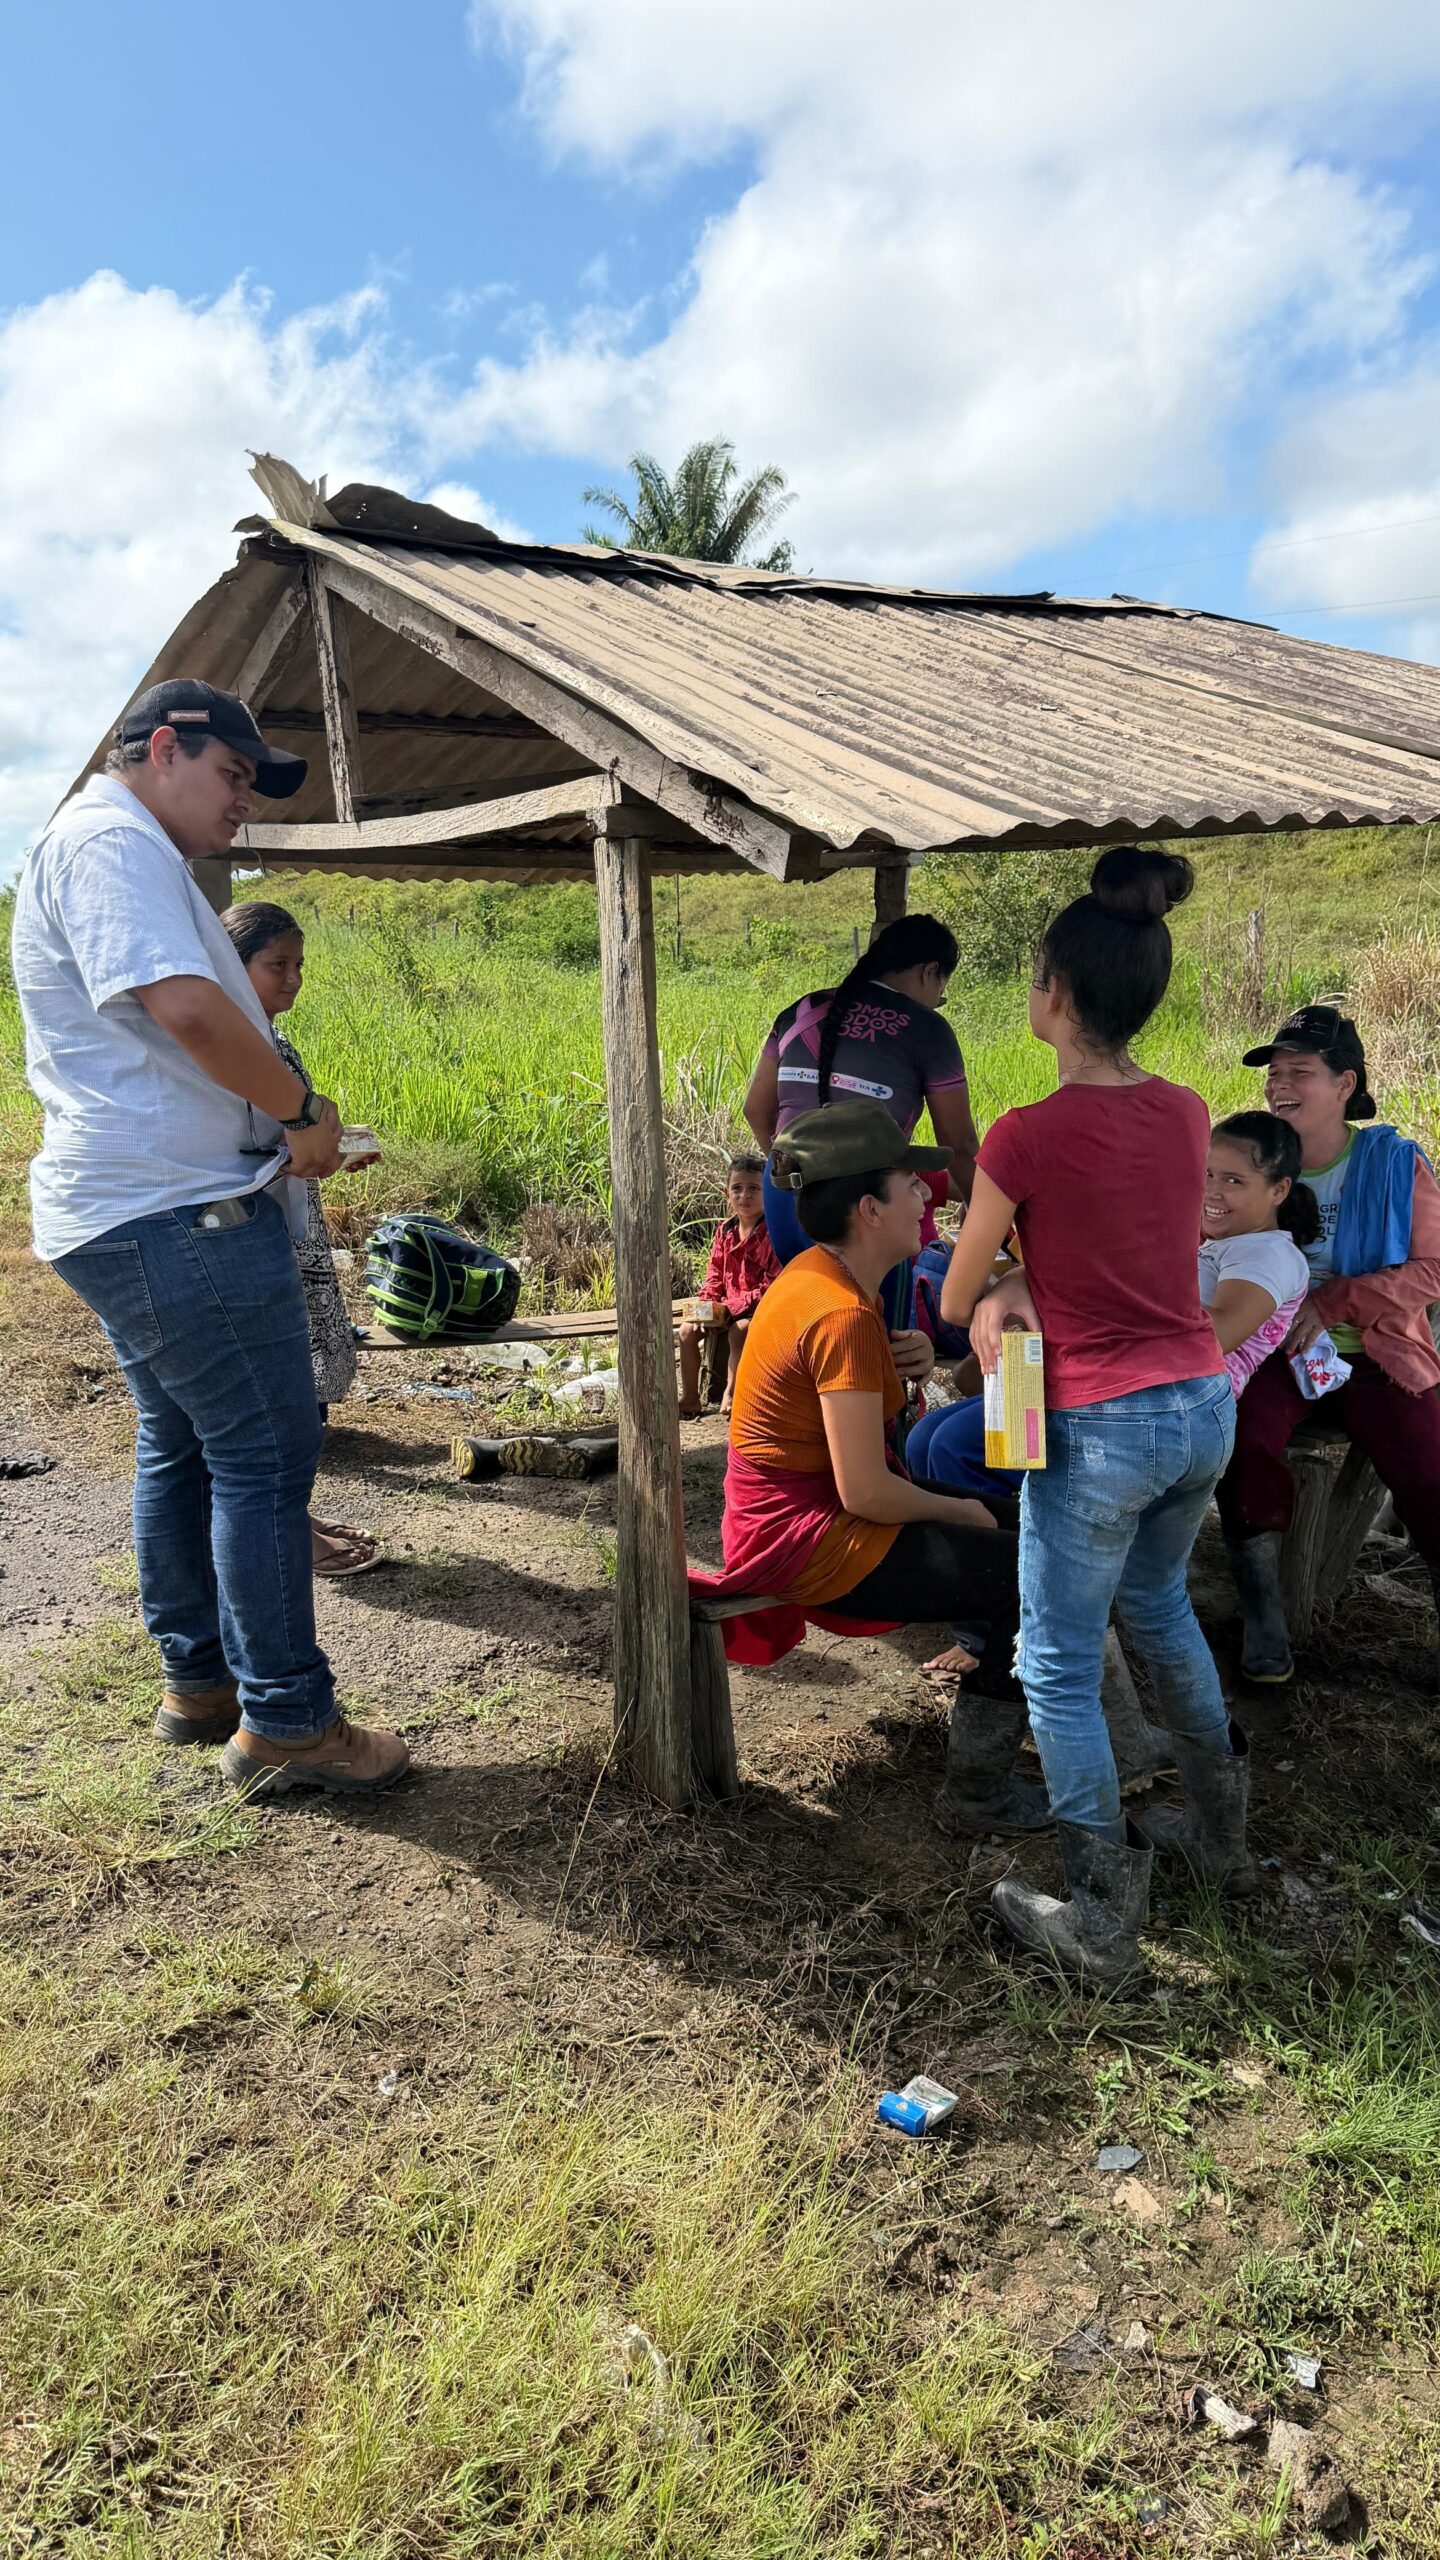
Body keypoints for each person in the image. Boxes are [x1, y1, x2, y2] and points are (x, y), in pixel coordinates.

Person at [9, 679, 408, 1798]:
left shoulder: (121, 846)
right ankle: (287, 1718)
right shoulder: (110, 840)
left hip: (149, 1205)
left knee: (181, 1444)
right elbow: (189, 1009)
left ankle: (202, 1681)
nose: (244, 803)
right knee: (266, 1454)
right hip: (176, 1211)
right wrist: (294, 1113)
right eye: (233, 776)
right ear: (165, 746)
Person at [940, 847, 1248, 1984]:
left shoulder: (1022, 1134)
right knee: (1163, 1611)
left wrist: (1008, 1283)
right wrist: (1035, 1274)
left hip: (1102, 1424)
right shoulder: (1186, 1113)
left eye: (1032, 977)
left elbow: (957, 1291)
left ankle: (1104, 1918)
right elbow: (1125, 1247)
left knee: (1059, 1661)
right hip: (1197, 1402)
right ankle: (1225, 1841)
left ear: (1054, 996)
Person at [689, 1099, 1047, 1836]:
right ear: (868, 1208)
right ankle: (978, 1794)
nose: (927, 1195)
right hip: (807, 1538)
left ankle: (997, 1707)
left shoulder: (821, 1277)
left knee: (1024, 1527)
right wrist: (964, 1512)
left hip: (791, 1517)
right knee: (1031, 1571)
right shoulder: (841, 1311)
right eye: (910, 1184)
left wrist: (899, 1359)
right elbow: (867, 1490)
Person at [1216, 1006, 1440, 1683]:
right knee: (1244, 1438)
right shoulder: (1252, 1155)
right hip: (1274, 1353)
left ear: (1345, 1084)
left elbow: (1432, 1270)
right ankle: (1262, 1609)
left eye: (1300, 1073)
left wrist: (1332, 1300)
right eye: (1274, 1073)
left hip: (1374, 1354)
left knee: (1430, 1471)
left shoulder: (1393, 1163)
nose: (1280, 1086)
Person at [220, 899, 383, 1576]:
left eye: (299, 966)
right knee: (287, 1398)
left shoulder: (263, 1037)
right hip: (259, 1235)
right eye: (275, 965)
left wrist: (331, 1148)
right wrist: (319, 1153)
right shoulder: (232, 1043)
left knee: (301, 1389)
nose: (292, 979)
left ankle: (298, 1517)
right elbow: (233, 1152)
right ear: (232, 966)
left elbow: (278, 1140)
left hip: (292, 1226)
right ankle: (292, 1538)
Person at [743, 914, 978, 1324]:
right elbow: (958, 1147)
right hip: (868, 1207)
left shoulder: (800, 1011)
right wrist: (981, 1210)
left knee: (811, 1326)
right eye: (942, 989)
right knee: (878, 1344)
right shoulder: (928, 1030)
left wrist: (794, 1171)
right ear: (930, 972)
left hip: (786, 1194)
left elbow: (756, 1111)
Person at [678, 1154, 780, 1420]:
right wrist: (707, 1306)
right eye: (737, 1188)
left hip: (756, 1309)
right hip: (725, 1306)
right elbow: (714, 1275)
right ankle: (690, 1397)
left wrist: (729, 1308)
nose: (744, 1196)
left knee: (739, 1331)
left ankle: (733, 1392)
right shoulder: (725, 1231)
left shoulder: (772, 1233)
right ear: (727, 1194)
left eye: (754, 1189)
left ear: (767, 1192)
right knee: (688, 1330)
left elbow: (771, 1286)